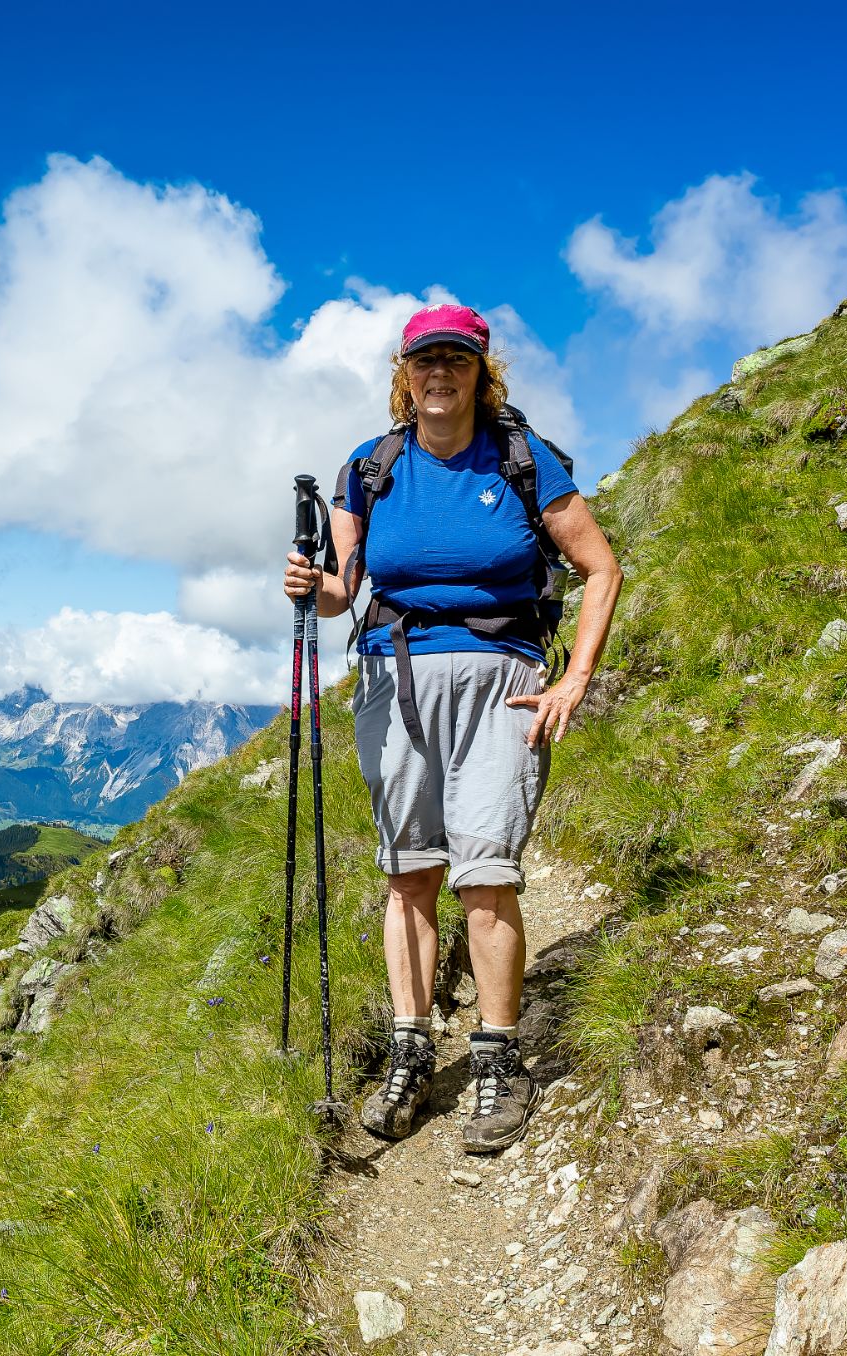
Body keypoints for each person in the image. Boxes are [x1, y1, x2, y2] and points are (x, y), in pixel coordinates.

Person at [281, 303, 621, 1152]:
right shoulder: (371, 465)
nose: (441, 375)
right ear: (406, 375)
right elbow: (341, 590)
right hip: (392, 679)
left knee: (486, 875)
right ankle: (410, 1046)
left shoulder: (519, 458)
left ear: (481, 371)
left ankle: (498, 1061)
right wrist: (306, 583)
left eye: (457, 361)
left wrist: (574, 679)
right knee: (409, 872)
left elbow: (601, 566)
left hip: (503, 681)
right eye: (425, 361)